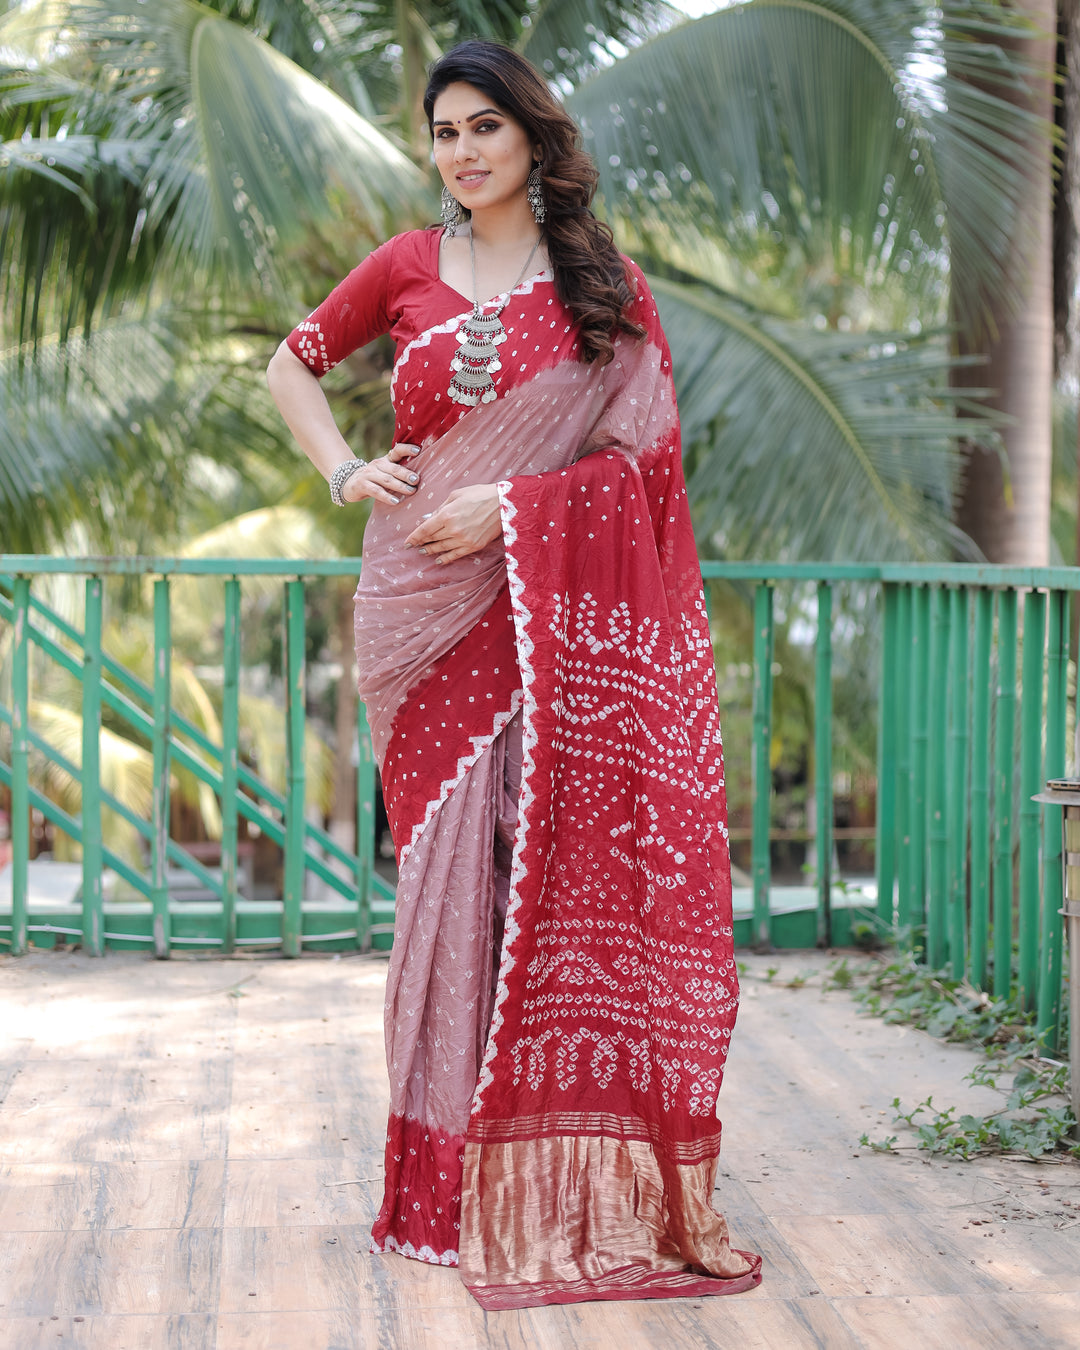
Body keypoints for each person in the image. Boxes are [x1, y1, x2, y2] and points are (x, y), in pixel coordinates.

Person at [267, 39, 761, 1310]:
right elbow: (291, 363)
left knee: (528, 866)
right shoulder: (407, 268)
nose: (465, 150)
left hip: (537, 601)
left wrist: (515, 508)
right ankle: (435, 1188)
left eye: (487, 126)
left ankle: (530, 1167)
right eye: (444, 132)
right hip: (416, 612)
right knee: (440, 883)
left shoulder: (604, 287)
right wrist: (343, 471)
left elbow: (649, 470)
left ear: (535, 137)